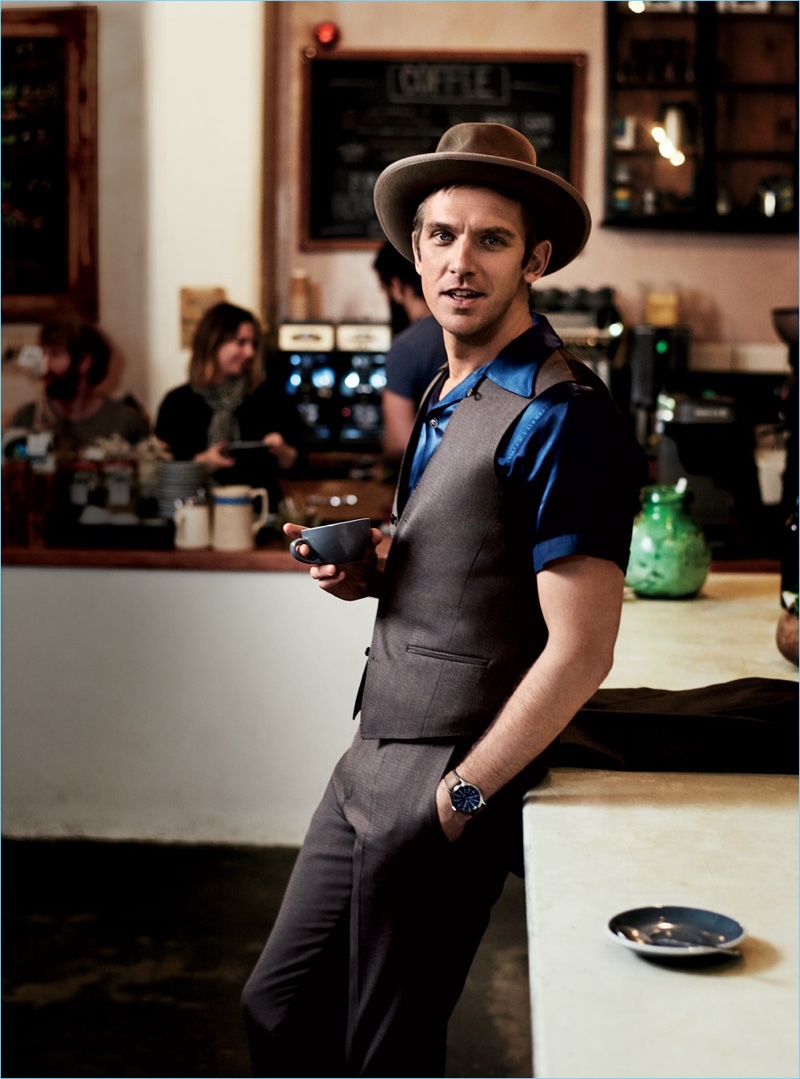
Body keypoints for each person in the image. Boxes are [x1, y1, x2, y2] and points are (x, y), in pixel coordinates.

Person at [241, 123, 647, 1077]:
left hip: (445, 771)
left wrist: (462, 796)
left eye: (492, 239)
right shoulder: (445, 387)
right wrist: (375, 570)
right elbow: (474, 563)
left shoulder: (563, 414)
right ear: (414, 248)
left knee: (385, 1047)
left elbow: (583, 649)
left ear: (535, 257)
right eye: (442, 235)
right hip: (370, 750)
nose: (461, 261)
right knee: (280, 1006)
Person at [155, 302, 305, 514]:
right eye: (241, 342)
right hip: (193, 519)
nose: (250, 352)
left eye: (253, 343)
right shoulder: (178, 402)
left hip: (259, 519)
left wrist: (283, 451)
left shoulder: (269, 397)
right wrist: (201, 463)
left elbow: (300, 465)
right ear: (213, 342)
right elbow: (160, 469)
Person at [10, 319, 149, 454]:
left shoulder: (125, 422)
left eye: (55, 354)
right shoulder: (26, 418)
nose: (43, 366)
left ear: (85, 362)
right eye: (42, 354)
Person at [372, 240, 448, 465]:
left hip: (425, 481)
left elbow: (400, 444)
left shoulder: (405, 347)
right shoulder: (467, 332)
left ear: (396, 286)